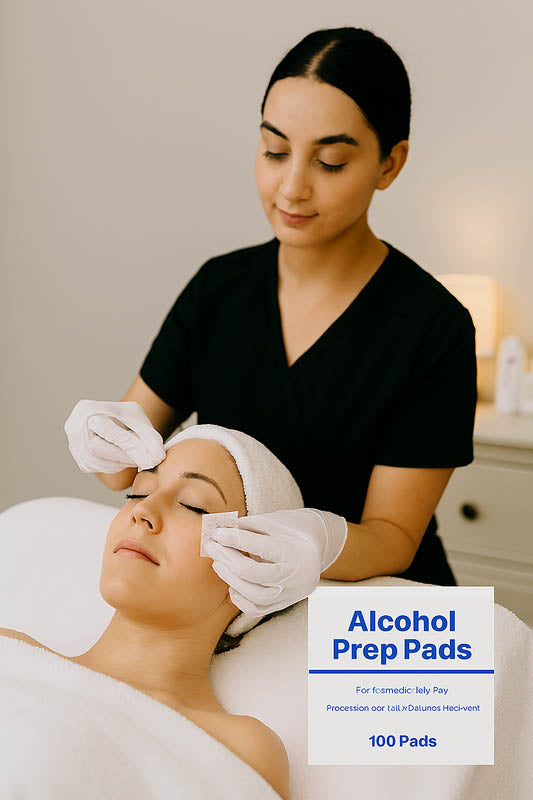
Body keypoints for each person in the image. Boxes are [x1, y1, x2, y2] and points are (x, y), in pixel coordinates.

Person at [70, 27, 477, 606]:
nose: (292, 187)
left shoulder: (435, 327)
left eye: (330, 162)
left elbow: (394, 538)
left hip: (386, 610)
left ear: (390, 164)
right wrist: (101, 437)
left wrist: (319, 544)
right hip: (237, 599)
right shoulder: (218, 290)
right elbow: (123, 471)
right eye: (275, 152)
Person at [2, 423, 321, 800]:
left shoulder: (240, 747)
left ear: (255, 571)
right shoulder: (10, 654)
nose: (143, 510)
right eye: (137, 492)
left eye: (194, 506)